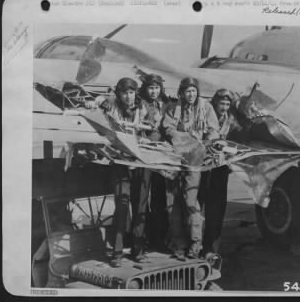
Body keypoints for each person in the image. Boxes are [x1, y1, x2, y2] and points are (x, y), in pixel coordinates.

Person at [92, 77, 148, 267]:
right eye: (124, 92)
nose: (128, 96)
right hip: (120, 163)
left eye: (131, 92)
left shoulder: (144, 108)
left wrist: (148, 138)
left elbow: (155, 130)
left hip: (141, 163)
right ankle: (116, 252)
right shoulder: (111, 105)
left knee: (140, 208)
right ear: (118, 93)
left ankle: (138, 250)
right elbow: (94, 102)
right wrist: (101, 101)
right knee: (121, 207)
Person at [161, 77, 219, 259]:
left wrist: (203, 142)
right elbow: (167, 128)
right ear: (182, 92)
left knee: (190, 200)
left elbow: (213, 130)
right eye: (187, 91)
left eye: (193, 91)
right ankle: (178, 244)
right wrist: (184, 137)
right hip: (175, 158)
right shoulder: (173, 108)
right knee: (172, 203)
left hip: (195, 158)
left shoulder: (206, 107)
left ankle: (196, 242)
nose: (191, 94)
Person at [198, 88, 243, 258]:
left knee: (216, 211)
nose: (223, 107)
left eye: (227, 104)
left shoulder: (232, 121)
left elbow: (239, 139)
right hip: (202, 168)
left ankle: (211, 249)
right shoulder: (205, 115)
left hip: (220, 171)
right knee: (196, 207)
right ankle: (194, 244)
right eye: (221, 103)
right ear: (215, 102)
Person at [137, 74, 170, 253]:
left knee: (159, 198)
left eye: (157, 88)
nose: (154, 91)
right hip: (143, 155)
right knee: (142, 198)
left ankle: (159, 238)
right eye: (151, 88)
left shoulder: (166, 105)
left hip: (161, 155)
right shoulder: (139, 104)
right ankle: (140, 239)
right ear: (145, 88)